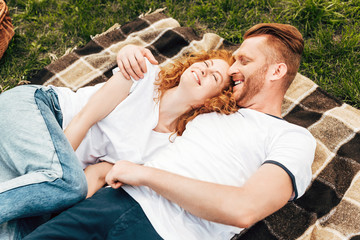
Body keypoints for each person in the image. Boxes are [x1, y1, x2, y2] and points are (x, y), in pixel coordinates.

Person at [23, 23, 316, 240]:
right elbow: (156, 96)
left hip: (167, 233)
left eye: (244, 61)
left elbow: (244, 208)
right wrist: (129, 51)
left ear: (276, 72)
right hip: (111, 201)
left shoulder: (292, 138)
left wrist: (144, 175)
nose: (232, 68)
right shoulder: (211, 106)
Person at [0, 49, 237, 239]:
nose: (204, 71)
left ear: (212, 102)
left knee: (19, 234)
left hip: (37, 168)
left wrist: (52, 207)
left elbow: (98, 174)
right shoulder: (145, 75)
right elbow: (83, 120)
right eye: (205, 64)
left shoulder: (168, 147)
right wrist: (58, 180)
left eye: (214, 77)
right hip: (39, 112)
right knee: (70, 185)